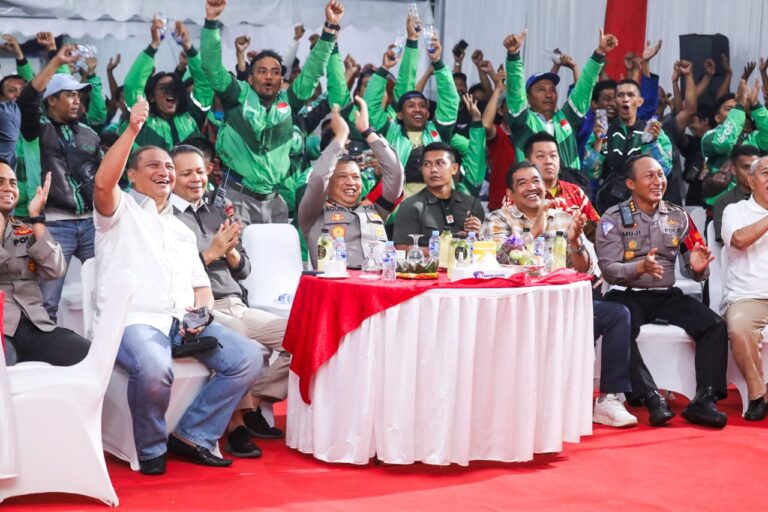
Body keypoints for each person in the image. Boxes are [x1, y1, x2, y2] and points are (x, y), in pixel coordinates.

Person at [93, 96, 264, 475]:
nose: (165, 172)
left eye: (169, 166)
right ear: (132, 176)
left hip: (181, 323)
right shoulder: (118, 214)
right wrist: (133, 129)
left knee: (248, 357)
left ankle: (194, 434)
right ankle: (152, 448)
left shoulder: (180, 230)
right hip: (133, 321)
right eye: (153, 165)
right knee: (155, 367)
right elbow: (104, 181)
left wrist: (201, 314)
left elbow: (200, 285)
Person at [480, 161, 636, 427]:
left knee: (617, 314)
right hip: (519, 311)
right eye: (523, 183)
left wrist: (576, 243)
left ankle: (608, 400)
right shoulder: (498, 219)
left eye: (536, 181)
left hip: (562, 306)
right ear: (510, 193)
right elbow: (502, 260)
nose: (532, 187)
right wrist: (536, 229)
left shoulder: (563, 217)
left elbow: (583, 268)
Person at [170, 144, 289, 455]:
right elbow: (168, 275)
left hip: (237, 301)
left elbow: (245, 270)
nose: (196, 178)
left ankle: (255, 400)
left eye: (199, 171)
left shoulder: (216, 211)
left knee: (301, 333)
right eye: (186, 173)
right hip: (197, 308)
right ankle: (237, 424)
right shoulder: (164, 219)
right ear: (171, 177)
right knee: (239, 335)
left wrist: (231, 251)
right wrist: (210, 253)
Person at [596, 154, 728, 428]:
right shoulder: (612, 219)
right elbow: (608, 270)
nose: (658, 181)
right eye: (649, 176)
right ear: (631, 183)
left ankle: (704, 399)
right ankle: (651, 397)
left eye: (660, 174)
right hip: (626, 293)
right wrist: (639, 268)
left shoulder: (679, 217)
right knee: (622, 325)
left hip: (667, 294)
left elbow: (696, 263)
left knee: (714, 324)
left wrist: (699, 268)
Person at [201, 0, 340, 224]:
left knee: (275, 257)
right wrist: (211, 22)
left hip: (275, 200)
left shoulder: (289, 102)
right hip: (236, 197)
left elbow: (312, 72)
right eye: (262, 71)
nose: (269, 77)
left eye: (275, 72)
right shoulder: (236, 95)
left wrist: (329, 30)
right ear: (250, 77)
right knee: (236, 258)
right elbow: (211, 66)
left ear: (281, 79)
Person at [16, 45, 102, 321]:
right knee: (47, 301)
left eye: (78, 95)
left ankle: (108, 353)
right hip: (53, 223)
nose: (76, 100)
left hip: (93, 223)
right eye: (69, 95)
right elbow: (28, 100)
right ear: (51, 100)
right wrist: (56, 61)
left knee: (108, 292)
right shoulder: (35, 129)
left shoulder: (89, 133)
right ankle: (42, 358)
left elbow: (103, 176)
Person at [0, 164, 90, 367]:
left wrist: (37, 217)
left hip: (36, 326)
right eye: (1, 182)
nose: (8, 188)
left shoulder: (25, 229)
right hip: (2, 330)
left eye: (12, 183)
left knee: (86, 355)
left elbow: (55, 268)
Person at [299, 98, 403, 269]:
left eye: (356, 177)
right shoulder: (313, 214)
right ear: (329, 183)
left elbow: (396, 173)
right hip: (337, 290)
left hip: (376, 286)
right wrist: (341, 136)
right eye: (342, 177)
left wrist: (367, 132)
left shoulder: (376, 209)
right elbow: (318, 178)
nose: (351, 183)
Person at [502, 28, 617, 171]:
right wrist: (513, 56)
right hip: (535, 190)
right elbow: (515, 89)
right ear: (528, 98)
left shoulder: (568, 118)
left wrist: (600, 52)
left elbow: (585, 86)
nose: (549, 95)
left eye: (552, 89)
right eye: (541, 89)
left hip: (568, 190)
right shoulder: (523, 121)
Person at [721, 155, 768, 420]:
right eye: (766, 173)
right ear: (751, 181)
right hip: (748, 296)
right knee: (739, 329)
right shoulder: (735, 211)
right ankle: (757, 394)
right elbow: (739, 240)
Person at [584, 79, 672, 213]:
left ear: (640, 101)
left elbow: (665, 171)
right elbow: (591, 173)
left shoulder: (653, 132)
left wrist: (652, 143)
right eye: (620, 95)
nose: (625, 99)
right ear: (615, 101)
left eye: (630, 95)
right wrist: (597, 142)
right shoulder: (603, 131)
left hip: (644, 206)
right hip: (609, 206)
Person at [122, 19, 212, 150]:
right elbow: (133, 86)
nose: (171, 92)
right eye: (164, 88)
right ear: (151, 97)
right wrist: (154, 45)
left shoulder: (191, 117)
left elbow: (205, 83)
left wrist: (188, 46)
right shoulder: (142, 120)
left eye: (175, 88)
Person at [393, 142, 484, 250]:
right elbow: (401, 249)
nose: (433, 170)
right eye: (427, 164)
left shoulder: (472, 204)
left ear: (454, 168)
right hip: (429, 266)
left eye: (440, 163)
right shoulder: (410, 206)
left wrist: (480, 235)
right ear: (421, 170)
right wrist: (446, 248)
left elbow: (486, 246)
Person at [701, 80, 768, 206]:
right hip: (722, 207)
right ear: (717, 117)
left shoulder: (752, 138)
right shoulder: (710, 137)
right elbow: (724, 143)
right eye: (729, 109)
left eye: (738, 109)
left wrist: (756, 106)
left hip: (753, 207)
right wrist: (739, 107)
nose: (735, 112)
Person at [713, 145, 760, 242]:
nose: (752, 172)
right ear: (733, 170)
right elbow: (730, 242)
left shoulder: (765, 196)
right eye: (746, 167)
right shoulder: (724, 203)